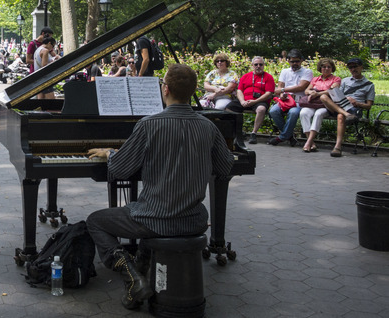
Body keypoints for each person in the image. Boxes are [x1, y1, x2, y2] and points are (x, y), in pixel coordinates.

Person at [85, 64, 233, 311]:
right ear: (194, 90)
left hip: (154, 218)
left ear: (165, 89)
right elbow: (225, 166)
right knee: (144, 214)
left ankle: (132, 276)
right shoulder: (209, 127)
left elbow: (120, 170)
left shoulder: (149, 125)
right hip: (193, 220)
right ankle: (141, 276)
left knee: (95, 221)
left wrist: (111, 153)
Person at [320, 58, 375, 157]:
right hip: (341, 105)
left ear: (361, 67)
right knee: (323, 96)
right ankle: (346, 114)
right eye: (350, 67)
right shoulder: (345, 81)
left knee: (341, 116)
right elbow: (338, 94)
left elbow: (368, 106)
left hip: (354, 109)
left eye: (355, 67)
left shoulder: (369, 85)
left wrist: (356, 103)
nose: (353, 69)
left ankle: (337, 147)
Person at [267, 49, 313, 146]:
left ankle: (282, 137)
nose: (295, 63)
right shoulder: (285, 71)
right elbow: (280, 86)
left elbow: (301, 87)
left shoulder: (307, 72)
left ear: (301, 61)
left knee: (293, 112)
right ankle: (290, 136)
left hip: (298, 101)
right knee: (273, 111)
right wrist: (281, 95)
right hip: (285, 100)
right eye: (292, 61)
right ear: (288, 61)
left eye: (297, 61)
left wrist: (283, 90)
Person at [226, 56, 276, 144]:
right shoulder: (246, 76)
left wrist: (255, 101)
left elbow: (269, 94)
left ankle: (253, 134)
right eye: (256, 64)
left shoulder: (268, 77)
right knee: (229, 108)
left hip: (260, 100)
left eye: (261, 64)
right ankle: (238, 131)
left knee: (261, 109)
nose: (258, 66)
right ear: (252, 65)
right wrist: (242, 101)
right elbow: (239, 90)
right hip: (244, 100)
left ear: (264, 65)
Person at [298, 57, 341, 153]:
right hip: (313, 103)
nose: (326, 69)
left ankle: (308, 142)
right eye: (324, 67)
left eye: (328, 67)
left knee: (318, 114)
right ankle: (311, 143)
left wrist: (317, 93)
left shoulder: (336, 79)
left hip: (326, 105)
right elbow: (306, 90)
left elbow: (332, 91)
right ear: (320, 68)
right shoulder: (315, 79)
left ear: (332, 68)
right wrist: (311, 93)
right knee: (303, 113)